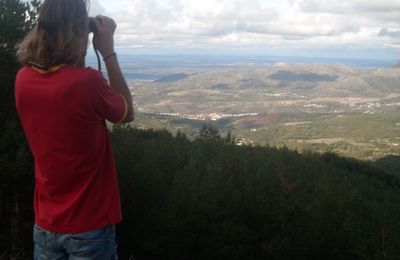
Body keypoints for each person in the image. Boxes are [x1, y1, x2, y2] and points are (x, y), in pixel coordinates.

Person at [15, 0, 133, 258]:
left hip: (46, 223)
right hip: (89, 225)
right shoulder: (87, 82)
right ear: (77, 32)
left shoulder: (23, 79)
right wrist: (108, 52)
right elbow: (126, 113)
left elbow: (61, 83)